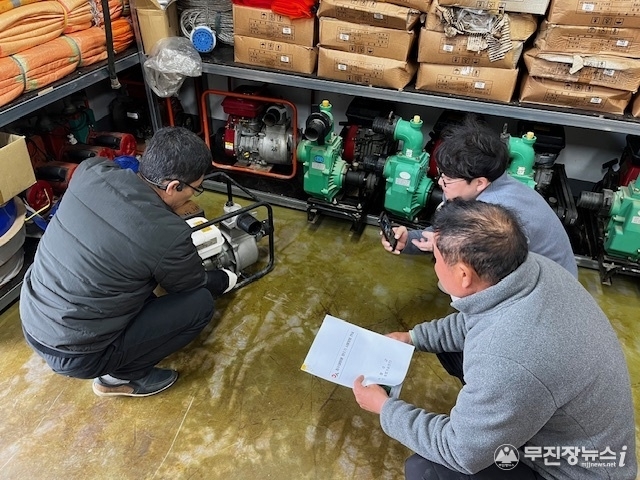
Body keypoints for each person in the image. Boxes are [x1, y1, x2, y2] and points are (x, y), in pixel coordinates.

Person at [354, 200, 637, 480]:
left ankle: (490, 420)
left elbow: (460, 452)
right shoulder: (529, 269)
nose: (435, 266)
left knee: (426, 471)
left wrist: (385, 408)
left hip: (572, 470)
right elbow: (477, 318)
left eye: (436, 260)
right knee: (451, 350)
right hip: (570, 426)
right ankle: (491, 416)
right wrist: (413, 337)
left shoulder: (506, 356)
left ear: (463, 275)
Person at [20, 126, 237, 398]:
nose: (193, 196)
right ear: (173, 187)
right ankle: (119, 377)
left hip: (34, 315)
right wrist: (225, 278)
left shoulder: (91, 171)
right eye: (196, 189)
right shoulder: (168, 234)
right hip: (76, 352)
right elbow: (191, 285)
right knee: (200, 304)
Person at [381, 116, 578, 279]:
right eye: (441, 175)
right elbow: (449, 230)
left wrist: (444, 247)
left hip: (547, 288)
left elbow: (494, 273)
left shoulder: (500, 215)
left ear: (479, 182)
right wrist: (408, 240)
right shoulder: (487, 184)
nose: (440, 182)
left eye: (447, 179)